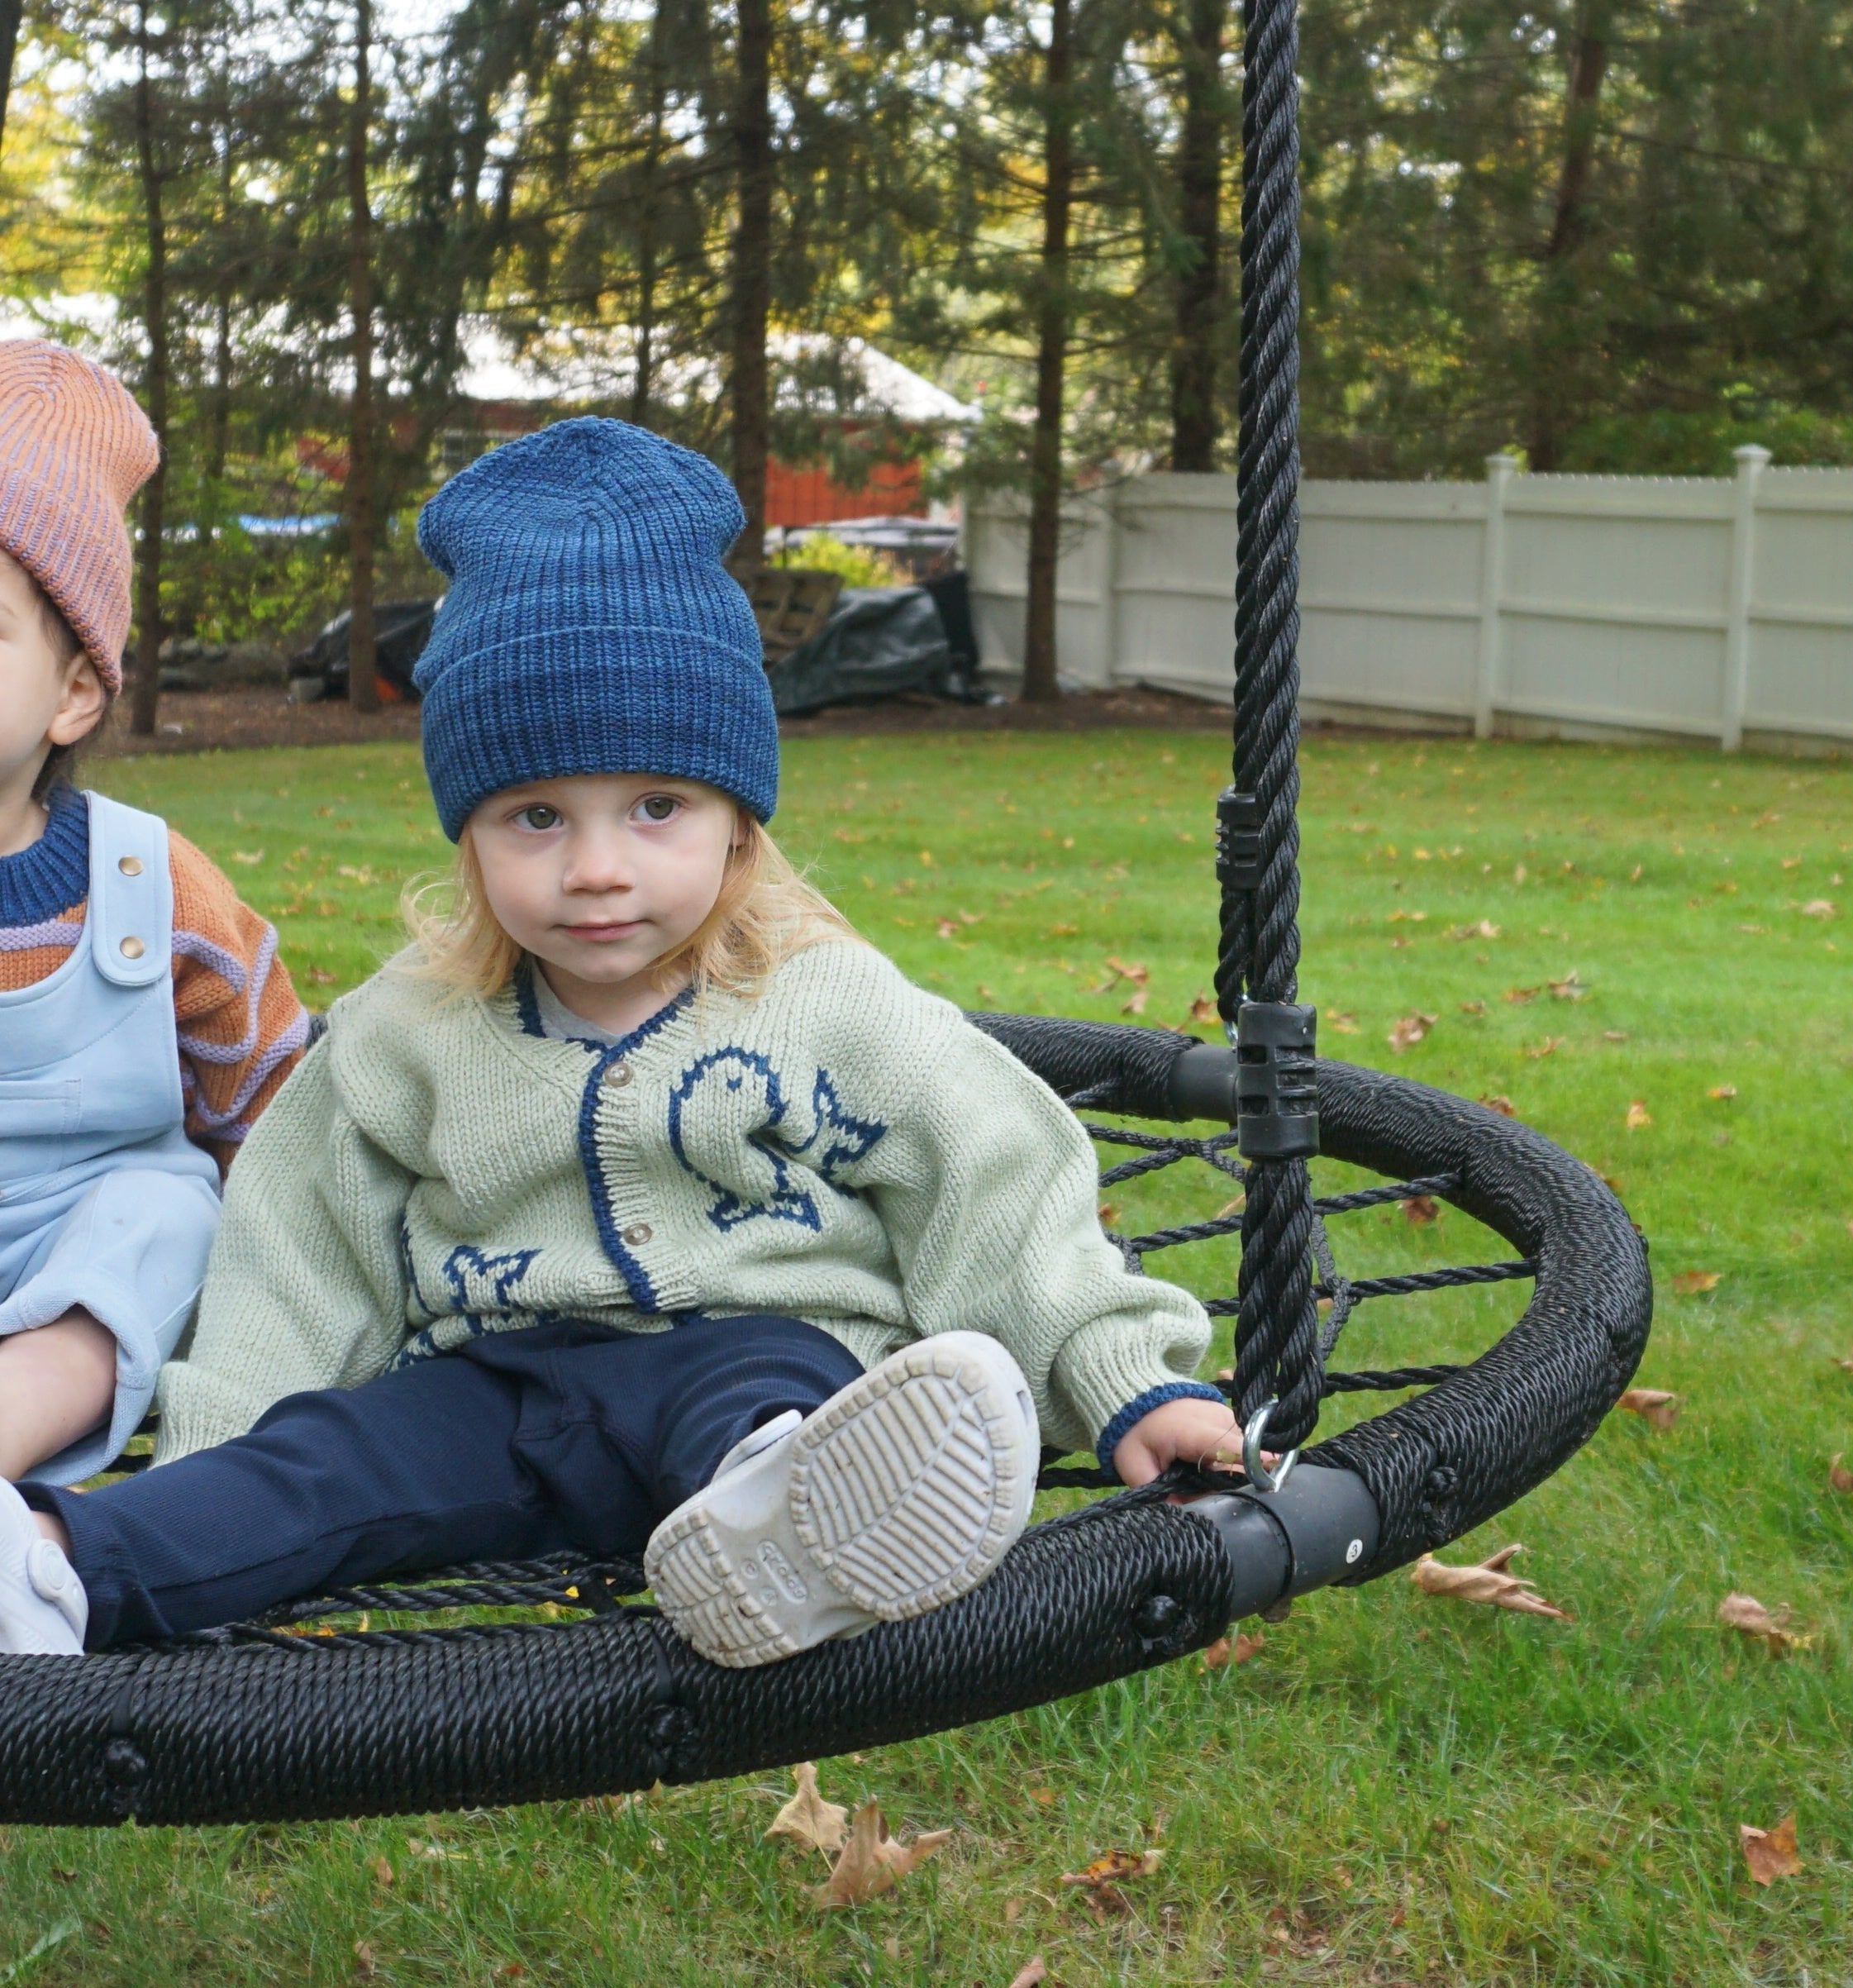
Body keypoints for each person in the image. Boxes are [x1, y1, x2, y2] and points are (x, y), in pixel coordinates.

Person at [0, 417, 1243, 1666]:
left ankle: (794, 1509)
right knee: (337, 1459)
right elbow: (295, 1253)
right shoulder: (405, 1034)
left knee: (763, 1394)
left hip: (757, 1353)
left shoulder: (828, 1005)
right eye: (535, 816)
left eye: (657, 807)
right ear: (469, 836)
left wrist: (1121, 1373)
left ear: (737, 820)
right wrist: (230, 1464)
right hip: (490, 1393)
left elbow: (998, 1179)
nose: (596, 869)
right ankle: (51, 1574)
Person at [0, 341, 307, 1498]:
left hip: (84, 1268)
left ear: (75, 691)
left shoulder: (149, 882)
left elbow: (270, 1105)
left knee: (163, 1214)